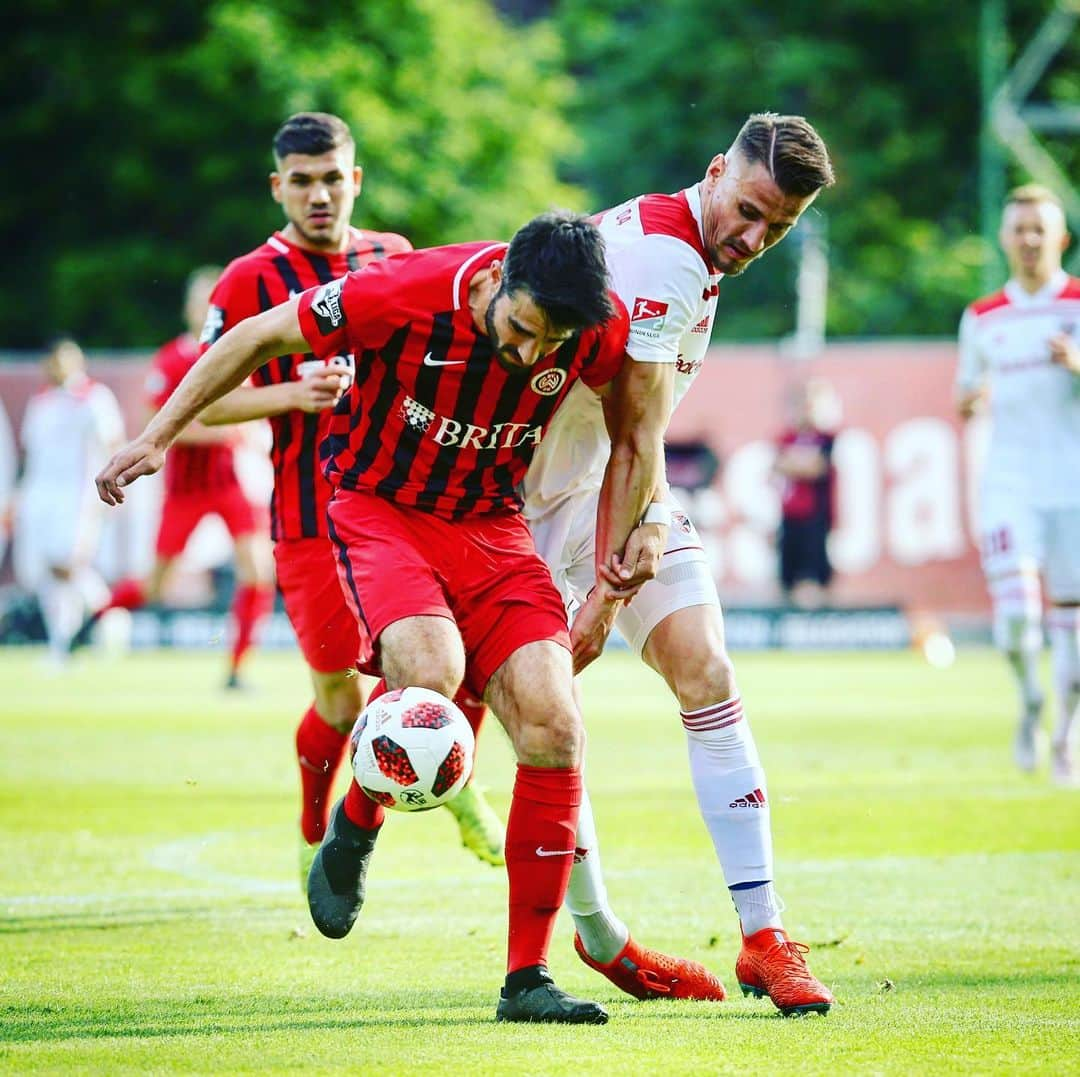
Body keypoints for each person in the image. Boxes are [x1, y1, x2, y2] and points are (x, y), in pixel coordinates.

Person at [96, 210, 664, 1024]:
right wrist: (160, 435)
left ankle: (526, 980)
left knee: (555, 725)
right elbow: (258, 335)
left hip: (493, 524)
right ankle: (355, 827)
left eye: (552, 343)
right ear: (500, 277)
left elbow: (641, 430)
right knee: (431, 676)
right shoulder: (400, 292)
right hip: (381, 507)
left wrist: (632, 546)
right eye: (523, 329)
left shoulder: (590, 327)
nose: (533, 354)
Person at [523, 113, 837, 1014]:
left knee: (706, 669)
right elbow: (635, 437)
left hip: (605, 487)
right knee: (553, 726)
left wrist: (641, 531)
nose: (752, 239)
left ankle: (767, 937)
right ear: (713, 172)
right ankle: (601, 936)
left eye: (776, 229)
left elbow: (634, 440)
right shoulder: (665, 257)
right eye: (746, 212)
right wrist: (615, 581)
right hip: (537, 509)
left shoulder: (689, 245)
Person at [187, 112, 504, 872]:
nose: (319, 195)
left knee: (452, 661)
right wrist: (290, 393)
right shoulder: (248, 279)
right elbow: (201, 401)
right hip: (307, 518)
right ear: (278, 188)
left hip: (402, 507)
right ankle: (312, 832)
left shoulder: (393, 257)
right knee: (335, 698)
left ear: (354, 178)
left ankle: (454, 784)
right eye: (302, 182)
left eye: (332, 178)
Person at [91, 267, 275, 689]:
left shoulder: (243, 353)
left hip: (233, 484)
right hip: (186, 488)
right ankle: (93, 620)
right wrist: (223, 430)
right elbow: (154, 424)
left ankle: (237, 670)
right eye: (201, 299)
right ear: (188, 307)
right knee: (155, 586)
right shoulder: (173, 358)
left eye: (216, 299)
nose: (209, 307)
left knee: (257, 572)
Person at [956, 183, 1080, 787]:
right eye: (1019, 230)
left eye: (1040, 229)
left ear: (1061, 237)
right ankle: (1031, 703)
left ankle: (1065, 736)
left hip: (1074, 488)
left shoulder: (1078, 305)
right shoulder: (982, 318)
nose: (1029, 240)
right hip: (1009, 483)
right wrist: (970, 401)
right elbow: (965, 395)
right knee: (1015, 623)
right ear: (1005, 239)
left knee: (1074, 638)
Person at [14, 338, 124, 666]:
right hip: (40, 496)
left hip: (76, 496)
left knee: (67, 566)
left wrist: (111, 491)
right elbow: (32, 455)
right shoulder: (41, 402)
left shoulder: (94, 397)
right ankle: (72, 636)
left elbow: (111, 444)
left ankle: (101, 623)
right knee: (46, 572)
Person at [773, 377, 839, 609]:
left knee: (814, 574)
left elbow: (817, 467)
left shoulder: (826, 439)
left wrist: (795, 463)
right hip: (789, 516)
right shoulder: (786, 437)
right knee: (787, 575)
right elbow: (778, 464)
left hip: (814, 516)